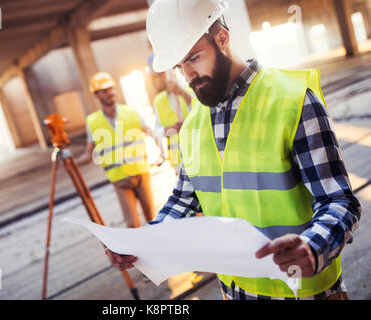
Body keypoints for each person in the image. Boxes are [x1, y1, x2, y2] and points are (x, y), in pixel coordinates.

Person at [105, 0, 362, 300]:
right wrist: (141, 243)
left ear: (222, 39)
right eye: (179, 66)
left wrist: (313, 246)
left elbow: (340, 201)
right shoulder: (193, 124)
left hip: (302, 293)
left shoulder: (293, 101)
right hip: (234, 291)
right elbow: (184, 199)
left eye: (193, 58)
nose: (188, 76)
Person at [76, 72, 155, 228]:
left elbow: (151, 132)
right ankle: (138, 252)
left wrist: (161, 150)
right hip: (119, 180)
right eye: (105, 91)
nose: (110, 93)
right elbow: (88, 153)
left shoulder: (131, 112)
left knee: (152, 220)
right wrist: (72, 163)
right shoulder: (93, 121)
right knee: (132, 224)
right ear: (97, 95)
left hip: (140, 174)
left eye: (111, 89)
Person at [148, 55, 194, 173]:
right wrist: (166, 130)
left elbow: (202, 113)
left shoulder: (189, 90)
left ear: (166, 74)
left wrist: (182, 94)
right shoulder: (158, 100)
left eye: (157, 76)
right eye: (154, 78)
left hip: (197, 153)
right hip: (178, 161)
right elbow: (156, 129)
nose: (155, 81)